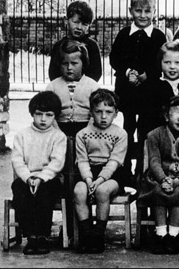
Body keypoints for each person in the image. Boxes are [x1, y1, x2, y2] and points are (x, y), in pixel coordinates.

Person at [109, 0, 167, 179]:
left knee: (145, 130)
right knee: (127, 128)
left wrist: (145, 75)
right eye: (138, 11)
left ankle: (140, 170)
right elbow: (114, 58)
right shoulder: (124, 34)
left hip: (148, 93)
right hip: (126, 91)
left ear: (154, 12)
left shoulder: (158, 36)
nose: (143, 15)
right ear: (130, 11)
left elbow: (161, 62)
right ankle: (124, 168)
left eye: (147, 11)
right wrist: (128, 72)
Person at [137, 95, 179, 255]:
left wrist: (176, 181)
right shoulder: (155, 135)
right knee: (159, 191)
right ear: (167, 116)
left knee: (178, 193)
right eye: (176, 114)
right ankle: (160, 233)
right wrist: (163, 179)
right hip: (157, 177)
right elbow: (154, 160)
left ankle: (174, 235)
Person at [11, 91, 67, 255]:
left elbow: (57, 162)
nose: (43, 119)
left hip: (50, 178)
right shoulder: (22, 135)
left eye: (49, 115)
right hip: (27, 177)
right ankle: (31, 236)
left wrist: (41, 178)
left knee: (44, 194)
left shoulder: (58, 136)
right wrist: (28, 178)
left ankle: (42, 236)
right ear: (32, 114)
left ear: (55, 116)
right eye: (39, 114)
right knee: (20, 192)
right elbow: (17, 160)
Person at [73, 89, 128, 254]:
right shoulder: (82, 134)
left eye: (109, 112)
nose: (103, 117)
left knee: (102, 191)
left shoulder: (120, 134)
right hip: (88, 172)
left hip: (113, 174)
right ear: (91, 112)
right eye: (98, 112)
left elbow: (114, 161)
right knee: (79, 191)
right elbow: (82, 160)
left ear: (116, 113)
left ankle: (98, 235)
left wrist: (100, 180)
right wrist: (89, 179)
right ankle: (86, 234)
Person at [135, 40, 179, 175]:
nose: (172, 67)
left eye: (177, 63)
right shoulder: (151, 86)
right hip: (157, 137)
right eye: (167, 62)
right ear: (160, 63)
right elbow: (145, 117)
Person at [45, 39, 100, 137]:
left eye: (74, 63)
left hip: (86, 128)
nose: (69, 67)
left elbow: (96, 112)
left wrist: (88, 131)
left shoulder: (93, 86)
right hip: (60, 128)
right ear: (59, 64)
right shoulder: (53, 86)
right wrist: (58, 133)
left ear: (83, 63)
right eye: (65, 63)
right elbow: (48, 112)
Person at [48, 0, 103, 82]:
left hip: (85, 90)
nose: (79, 27)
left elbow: (96, 73)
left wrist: (80, 86)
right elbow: (53, 73)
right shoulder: (59, 45)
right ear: (66, 21)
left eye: (84, 24)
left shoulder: (92, 46)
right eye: (76, 22)